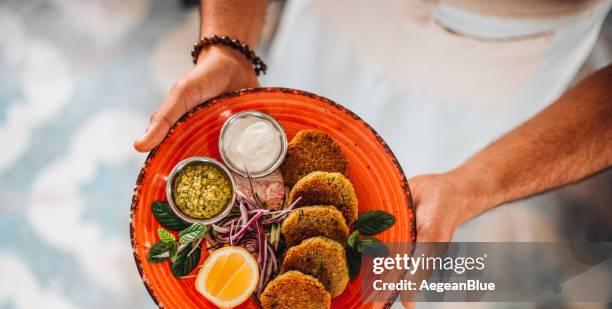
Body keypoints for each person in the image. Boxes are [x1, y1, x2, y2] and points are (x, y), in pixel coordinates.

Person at [134, 0, 612, 246]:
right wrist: (229, 43)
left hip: (506, 50)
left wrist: (473, 186)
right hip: (338, 18)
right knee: (292, 129)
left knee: (419, 174)